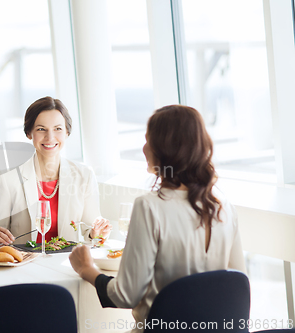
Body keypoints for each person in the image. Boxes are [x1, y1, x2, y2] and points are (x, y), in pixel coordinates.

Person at [69, 105, 246, 331]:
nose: (143, 148)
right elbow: (237, 284)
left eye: (148, 139)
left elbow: (125, 295)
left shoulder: (149, 207)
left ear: (165, 149)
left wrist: (87, 269)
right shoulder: (225, 209)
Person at [0, 96, 112, 247]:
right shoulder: (9, 180)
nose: (50, 137)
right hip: (24, 265)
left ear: (67, 132)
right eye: (41, 129)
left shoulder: (84, 176)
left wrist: (96, 234)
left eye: (58, 129)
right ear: (29, 133)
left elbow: (91, 232)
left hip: (67, 264)